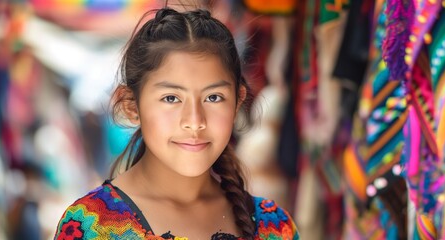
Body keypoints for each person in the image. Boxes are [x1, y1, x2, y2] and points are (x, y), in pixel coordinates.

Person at [54, 7, 299, 240]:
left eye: (213, 98)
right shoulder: (92, 227)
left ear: (237, 103)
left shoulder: (275, 227)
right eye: (171, 98)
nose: (194, 121)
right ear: (131, 105)